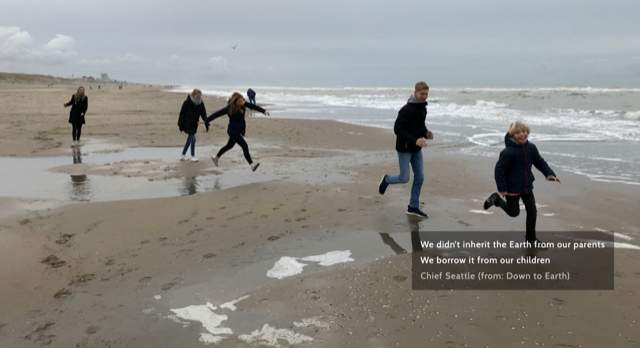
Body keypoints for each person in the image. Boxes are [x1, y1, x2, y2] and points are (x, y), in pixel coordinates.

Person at [483, 121, 560, 245]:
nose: (522, 134)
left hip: (527, 185)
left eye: (524, 131)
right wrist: (502, 188)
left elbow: (539, 162)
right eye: (518, 132)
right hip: (512, 188)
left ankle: (531, 239)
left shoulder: (531, 148)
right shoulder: (508, 152)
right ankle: (496, 199)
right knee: (514, 213)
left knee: (532, 211)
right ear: (512, 135)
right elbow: (499, 170)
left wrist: (549, 174)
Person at [378, 81, 433, 218]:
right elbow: (398, 129)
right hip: (404, 148)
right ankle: (387, 179)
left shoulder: (423, 108)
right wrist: (415, 140)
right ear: (415, 92)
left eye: (426, 94)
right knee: (404, 178)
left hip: (416, 149)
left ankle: (413, 207)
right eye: (422, 94)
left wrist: (426, 133)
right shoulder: (406, 110)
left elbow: (420, 126)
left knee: (420, 177)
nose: (424, 96)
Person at [207, 92, 270, 171]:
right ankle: (252, 165)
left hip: (238, 130)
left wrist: (264, 111)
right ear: (235, 101)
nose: (243, 102)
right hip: (233, 131)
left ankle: (216, 158)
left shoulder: (243, 104)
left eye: (243, 100)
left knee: (229, 146)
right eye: (241, 100)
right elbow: (216, 114)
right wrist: (206, 121)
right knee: (244, 146)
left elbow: (253, 106)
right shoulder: (229, 108)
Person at [177, 89, 209, 162]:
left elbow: (204, 114)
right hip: (187, 123)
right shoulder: (187, 102)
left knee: (189, 139)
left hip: (195, 124)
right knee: (193, 139)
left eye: (200, 96)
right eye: (198, 96)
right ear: (193, 95)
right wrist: (180, 125)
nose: (199, 97)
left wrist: (206, 123)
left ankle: (183, 155)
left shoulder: (200, 103)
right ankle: (193, 156)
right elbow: (181, 114)